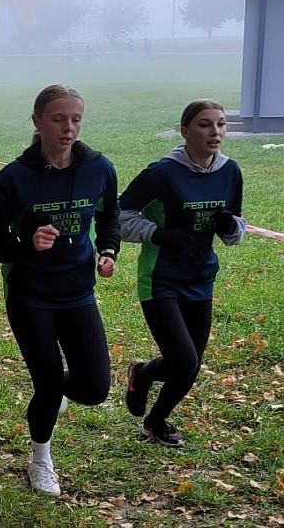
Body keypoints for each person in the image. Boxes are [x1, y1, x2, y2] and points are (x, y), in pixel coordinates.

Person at [0, 84, 120, 497]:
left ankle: (56, 388)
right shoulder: (13, 178)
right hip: (31, 295)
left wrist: (108, 250)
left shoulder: (99, 168)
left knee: (94, 388)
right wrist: (26, 244)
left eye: (76, 119)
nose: (68, 128)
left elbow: (109, 217)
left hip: (78, 291)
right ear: (38, 122)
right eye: (58, 119)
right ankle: (40, 458)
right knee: (47, 383)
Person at [119, 99, 246, 448]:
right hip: (160, 278)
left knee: (190, 365)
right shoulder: (161, 173)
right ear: (185, 130)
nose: (215, 132)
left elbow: (236, 230)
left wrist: (230, 226)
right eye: (205, 124)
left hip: (201, 277)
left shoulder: (230, 172)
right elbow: (118, 216)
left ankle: (155, 421)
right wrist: (158, 234)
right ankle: (144, 373)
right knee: (184, 359)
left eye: (221, 124)